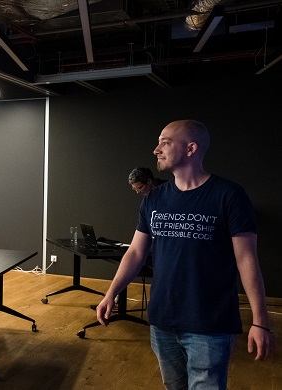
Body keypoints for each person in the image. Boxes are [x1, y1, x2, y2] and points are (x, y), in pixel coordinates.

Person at [96, 120, 275, 389]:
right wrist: (111, 293)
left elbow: (246, 259)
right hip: (162, 320)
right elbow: (135, 252)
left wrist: (260, 322)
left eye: (165, 142)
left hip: (209, 324)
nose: (156, 149)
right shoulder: (154, 199)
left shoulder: (228, 195)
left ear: (191, 148)